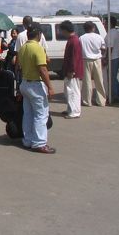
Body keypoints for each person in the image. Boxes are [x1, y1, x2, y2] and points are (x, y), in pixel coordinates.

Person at [17, 25, 56, 154]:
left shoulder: (23, 48)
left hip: (25, 83)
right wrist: (50, 87)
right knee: (41, 114)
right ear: (39, 34)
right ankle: (39, 143)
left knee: (28, 114)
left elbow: (19, 66)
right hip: (35, 84)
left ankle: (28, 139)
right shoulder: (37, 48)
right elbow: (43, 69)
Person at [59, 20, 83, 119]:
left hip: (72, 71)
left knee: (73, 92)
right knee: (69, 91)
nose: (61, 32)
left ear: (65, 30)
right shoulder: (73, 40)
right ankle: (70, 109)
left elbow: (74, 57)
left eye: (62, 30)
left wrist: (71, 71)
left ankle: (74, 111)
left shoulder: (74, 41)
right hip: (71, 70)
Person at [79, 21, 106, 107]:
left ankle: (87, 101)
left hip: (86, 60)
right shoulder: (99, 37)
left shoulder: (81, 38)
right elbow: (103, 48)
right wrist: (102, 55)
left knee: (87, 81)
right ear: (93, 28)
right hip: (97, 59)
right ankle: (101, 101)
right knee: (99, 81)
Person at [104, 17, 119, 103]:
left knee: (112, 78)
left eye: (105, 23)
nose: (104, 25)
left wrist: (107, 59)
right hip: (115, 57)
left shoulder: (111, 33)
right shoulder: (113, 32)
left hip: (113, 58)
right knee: (113, 78)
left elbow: (110, 47)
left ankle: (115, 95)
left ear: (110, 23)